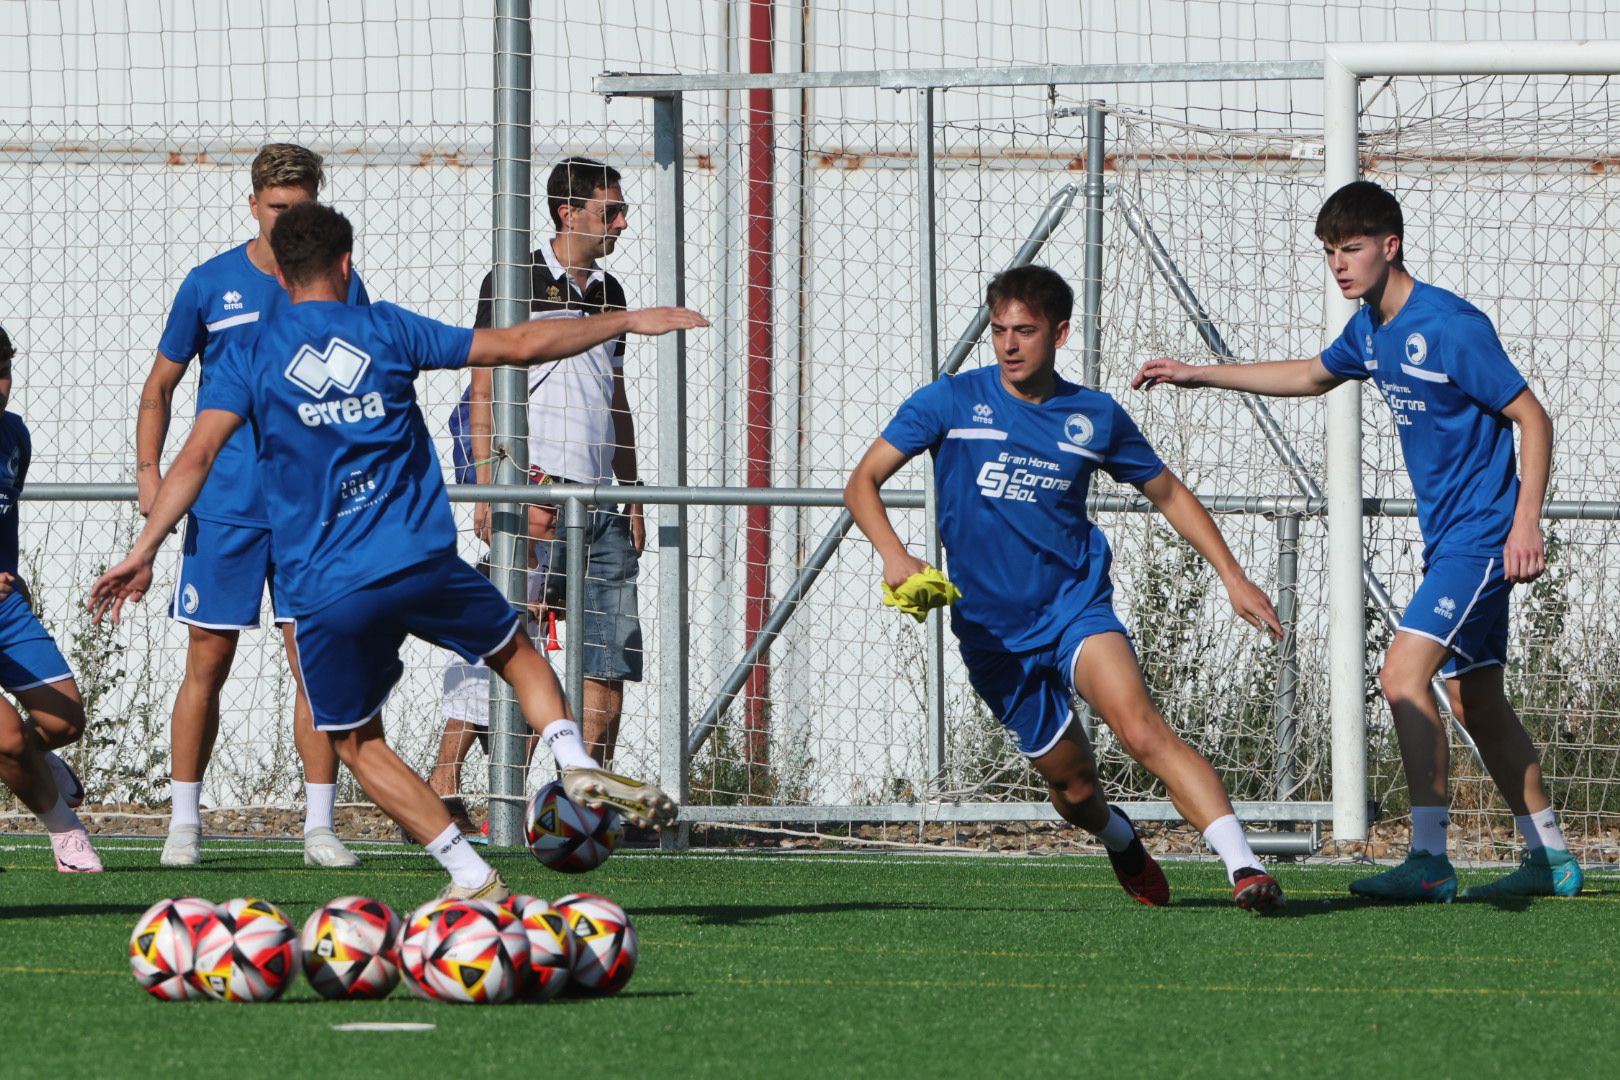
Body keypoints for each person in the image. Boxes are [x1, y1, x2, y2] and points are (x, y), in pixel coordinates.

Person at [91, 202, 703, 901]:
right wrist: (625, 320)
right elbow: (519, 345)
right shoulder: (386, 328)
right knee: (515, 651)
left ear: (282, 273)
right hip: (419, 560)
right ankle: (571, 756)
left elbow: (198, 452)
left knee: (357, 742)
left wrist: (145, 547)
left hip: (325, 586)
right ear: (346, 265)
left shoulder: (255, 354)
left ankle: (471, 876)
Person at [1133, 180, 1581, 902]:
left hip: (1482, 537)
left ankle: (1429, 858)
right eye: (1329, 253)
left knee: (1401, 675)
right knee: (1476, 700)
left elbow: (1533, 416)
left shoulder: (1449, 326)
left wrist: (1526, 521)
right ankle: (1552, 856)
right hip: (1450, 541)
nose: (1339, 265)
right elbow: (1312, 374)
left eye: (1351, 249)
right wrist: (1199, 374)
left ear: (1389, 246)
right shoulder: (1370, 328)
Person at [845, 265, 1287, 914]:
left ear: (1060, 332)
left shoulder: (1095, 416)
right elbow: (863, 482)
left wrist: (1232, 574)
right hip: (993, 636)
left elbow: (1165, 490)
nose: (1009, 345)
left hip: (1075, 608)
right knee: (1075, 790)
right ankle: (1120, 840)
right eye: (999, 331)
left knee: (1142, 730)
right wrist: (893, 554)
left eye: (1025, 330)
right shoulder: (947, 402)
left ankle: (1245, 868)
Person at [136, 144, 367, 869]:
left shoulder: (339, 286)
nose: (289, 220)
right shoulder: (211, 283)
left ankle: (320, 827)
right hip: (228, 507)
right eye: (277, 209)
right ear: (253, 206)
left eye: (302, 209)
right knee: (208, 660)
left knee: (316, 665)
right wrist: (150, 477)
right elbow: (159, 389)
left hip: (309, 513)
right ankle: (183, 824)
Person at [0, 325, 102, 872]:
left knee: (63, 724)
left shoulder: (13, 436)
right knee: (9, 739)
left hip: (4, 610)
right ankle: (65, 830)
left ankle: (29, 762)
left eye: (5, 372)